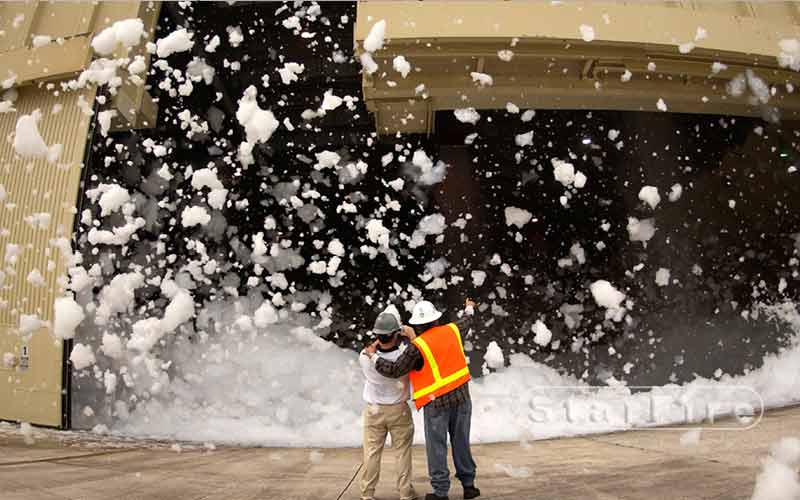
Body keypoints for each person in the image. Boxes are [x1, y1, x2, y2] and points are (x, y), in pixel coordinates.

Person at [364, 299, 480, 500]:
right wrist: (469, 306)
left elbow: (394, 370)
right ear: (436, 319)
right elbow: (467, 320)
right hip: (462, 398)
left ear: (417, 325)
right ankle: (469, 485)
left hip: (436, 404)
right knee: (461, 442)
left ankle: (441, 492)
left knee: (437, 447)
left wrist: (373, 356)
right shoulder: (452, 330)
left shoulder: (416, 347)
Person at [358, 306, 418, 500]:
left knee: (371, 454)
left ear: (377, 335)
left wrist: (376, 343)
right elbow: (418, 353)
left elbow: (373, 349)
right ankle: (405, 493)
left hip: (374, 410)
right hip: (399, 410)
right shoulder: (404, 357)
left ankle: (367, 493)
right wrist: (411, 337)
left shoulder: (364, 357)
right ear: (395, 334)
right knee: (402, 454)